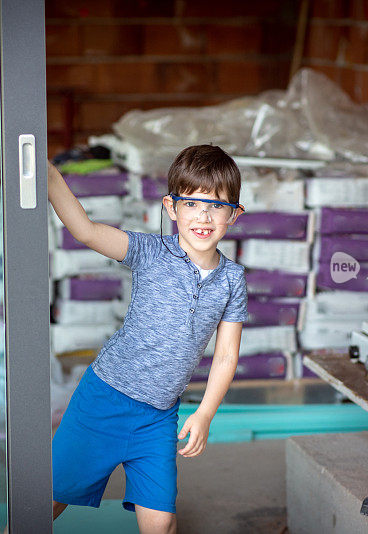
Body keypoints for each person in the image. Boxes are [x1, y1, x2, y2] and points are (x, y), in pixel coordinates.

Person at [48, 144, 248, 533]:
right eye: (191, 204)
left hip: (158, 417)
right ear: (171, 208)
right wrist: (50, 176)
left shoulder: (232, 280)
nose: (203, 216)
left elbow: (225, 357)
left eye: (216, 206)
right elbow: (86, 232)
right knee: (42, 504)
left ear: (234, 215)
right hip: (102, 401)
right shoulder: (150, 252)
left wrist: (205, 413)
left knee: (161, 523)